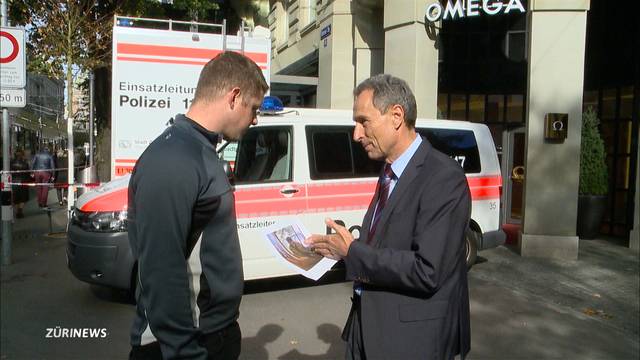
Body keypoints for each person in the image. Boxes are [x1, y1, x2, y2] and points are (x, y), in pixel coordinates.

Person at [305, 74, 472, 360]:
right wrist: (342, 250)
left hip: (409, 342)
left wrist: (353, 251)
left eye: (363, 121)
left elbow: (427, 270)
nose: (356, 134)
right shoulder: (389, 171)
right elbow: (387, 245)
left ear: (396, 116)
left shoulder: (444, 177)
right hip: (366, 329)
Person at [127, 51, 268, 360]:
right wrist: (185, 352)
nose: (255, 119)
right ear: (234, 97)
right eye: (254, 108)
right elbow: (161, 269)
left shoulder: (198, 149)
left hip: (213, 332)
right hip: (188, 342)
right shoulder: (175, 158)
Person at [10, 150, 30, 218]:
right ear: (22, 155)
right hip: (23, 181)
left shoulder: (11, 163)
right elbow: (28, 173)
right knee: (23, 198)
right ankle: (20, 210)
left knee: (16, 198)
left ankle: (17, 211)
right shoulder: (25, 163)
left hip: (14, 181)